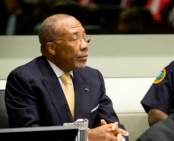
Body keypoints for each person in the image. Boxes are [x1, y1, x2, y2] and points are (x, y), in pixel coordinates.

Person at [5, 13, 129, 141]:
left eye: (85, 38)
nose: (85, 45)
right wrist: (84, 138)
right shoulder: (24, 79)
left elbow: (113, 126)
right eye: (75, 39)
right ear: (52, 48)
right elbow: (28, 136)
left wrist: (117, 137)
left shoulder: (92, 77)